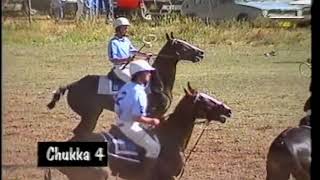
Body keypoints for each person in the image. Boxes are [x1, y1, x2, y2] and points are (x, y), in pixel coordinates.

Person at [114, 60, 161, 179]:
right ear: (140, 74)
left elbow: (117, 107)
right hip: (130, 126)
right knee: (154, 148)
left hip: (120, 121)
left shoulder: (127, 86)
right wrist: (152, 121)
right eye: (147, 72)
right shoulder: (139, 92)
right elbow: (137, 117)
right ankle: (144, 175)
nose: (150, 75)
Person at [107, 17, 151, 82]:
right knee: (134, 81)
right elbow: (113, 59)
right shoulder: (113, 42)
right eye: (124, 28)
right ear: (118, 28)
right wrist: (126, 59)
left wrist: (145, 55)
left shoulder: (126, 40)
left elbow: (133, 51)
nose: (127, 30)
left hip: (129, 66)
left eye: (127, 28)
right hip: (120, 68)